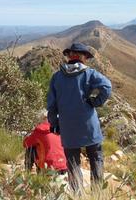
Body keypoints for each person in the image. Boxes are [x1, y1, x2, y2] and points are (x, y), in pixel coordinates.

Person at [47, 42, 112, 192]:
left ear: (69, 56)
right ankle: (97, 194)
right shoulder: (89, 74)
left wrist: (54, 123)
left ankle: (77, 195)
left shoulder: (57, 77)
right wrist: (96, 102)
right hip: (89, 126)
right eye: (85, 56)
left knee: (73, 163)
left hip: (68, 128)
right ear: (82, 57)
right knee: (96, 159)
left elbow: (51, 105)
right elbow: (107, 86)